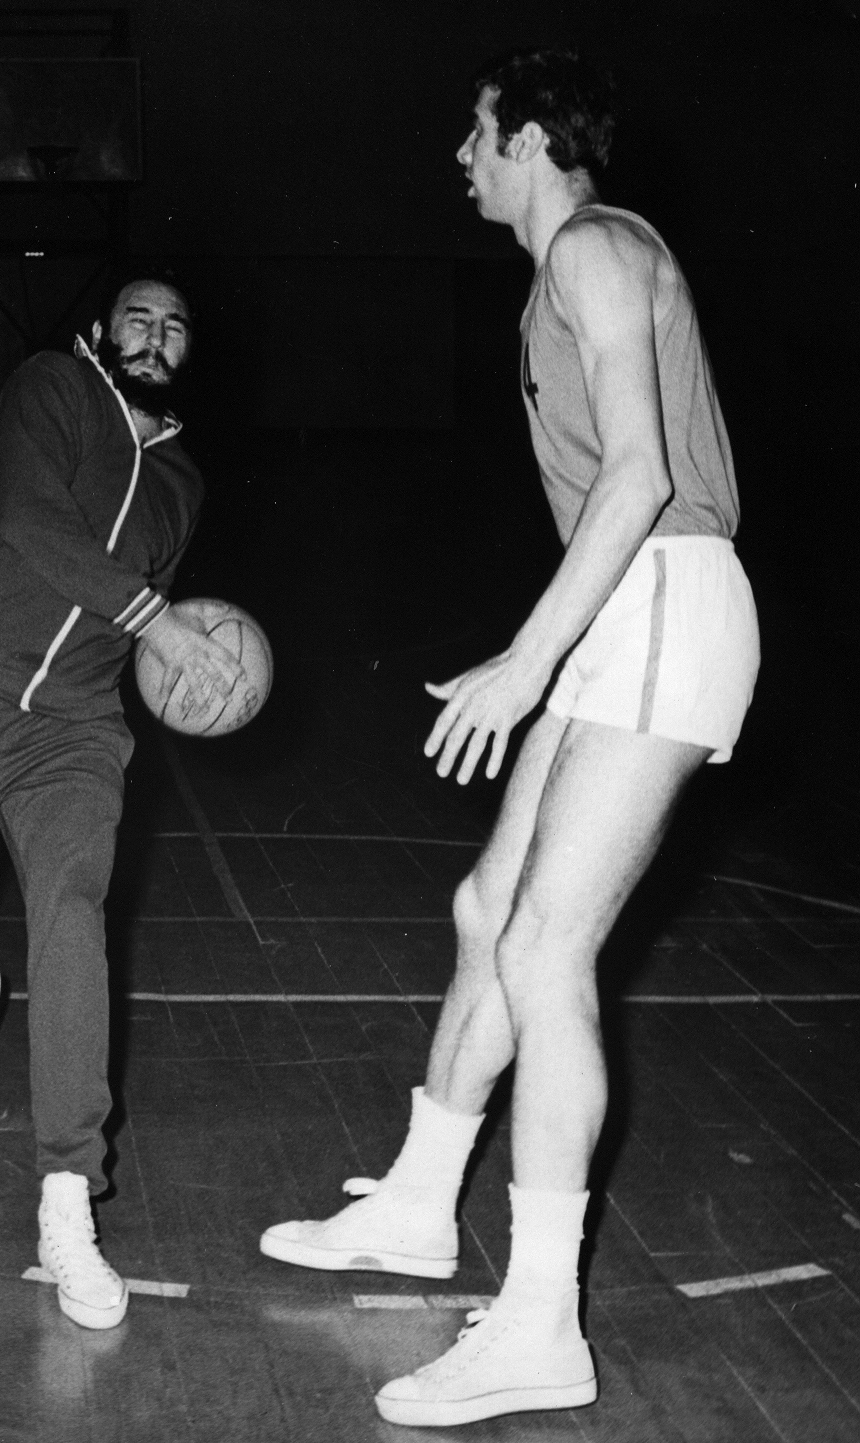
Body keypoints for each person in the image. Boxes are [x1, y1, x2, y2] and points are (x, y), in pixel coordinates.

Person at [258, 49, 759, 1428]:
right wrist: (550, 653)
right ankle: (419, 1207)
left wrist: (524, 661)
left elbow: (647, 472)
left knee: (546, 945)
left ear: (530, 137)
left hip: (664, 596)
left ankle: (540, 1322)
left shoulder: (594, 242)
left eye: (472, 134)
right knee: (487, 908)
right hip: (621, 606)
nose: (457, 159)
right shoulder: (561, 272)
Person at [0, 266, 244, 1330]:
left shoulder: (183, 484)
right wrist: (160, 622)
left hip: (72, 725)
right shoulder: (49, 388)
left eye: (175, 325)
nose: (155, 337)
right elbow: (32, 521)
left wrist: (184, 661)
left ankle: (67, 1199)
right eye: (137, 319)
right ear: (99, 330)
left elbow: (128, 623)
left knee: (71, 913)